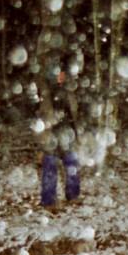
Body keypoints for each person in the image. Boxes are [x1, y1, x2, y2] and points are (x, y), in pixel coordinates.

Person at [39, 69, 80, 208]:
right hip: (51, 136)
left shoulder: (67, 92)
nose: (61, 76)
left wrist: (75, 133)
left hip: (67, 135)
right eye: (59, 73)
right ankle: (48, 201)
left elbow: (72, 115)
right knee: (50, 165)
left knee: (72, 165)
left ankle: (73, 196)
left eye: (63, 73)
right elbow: (42, 118)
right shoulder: (46, 94)